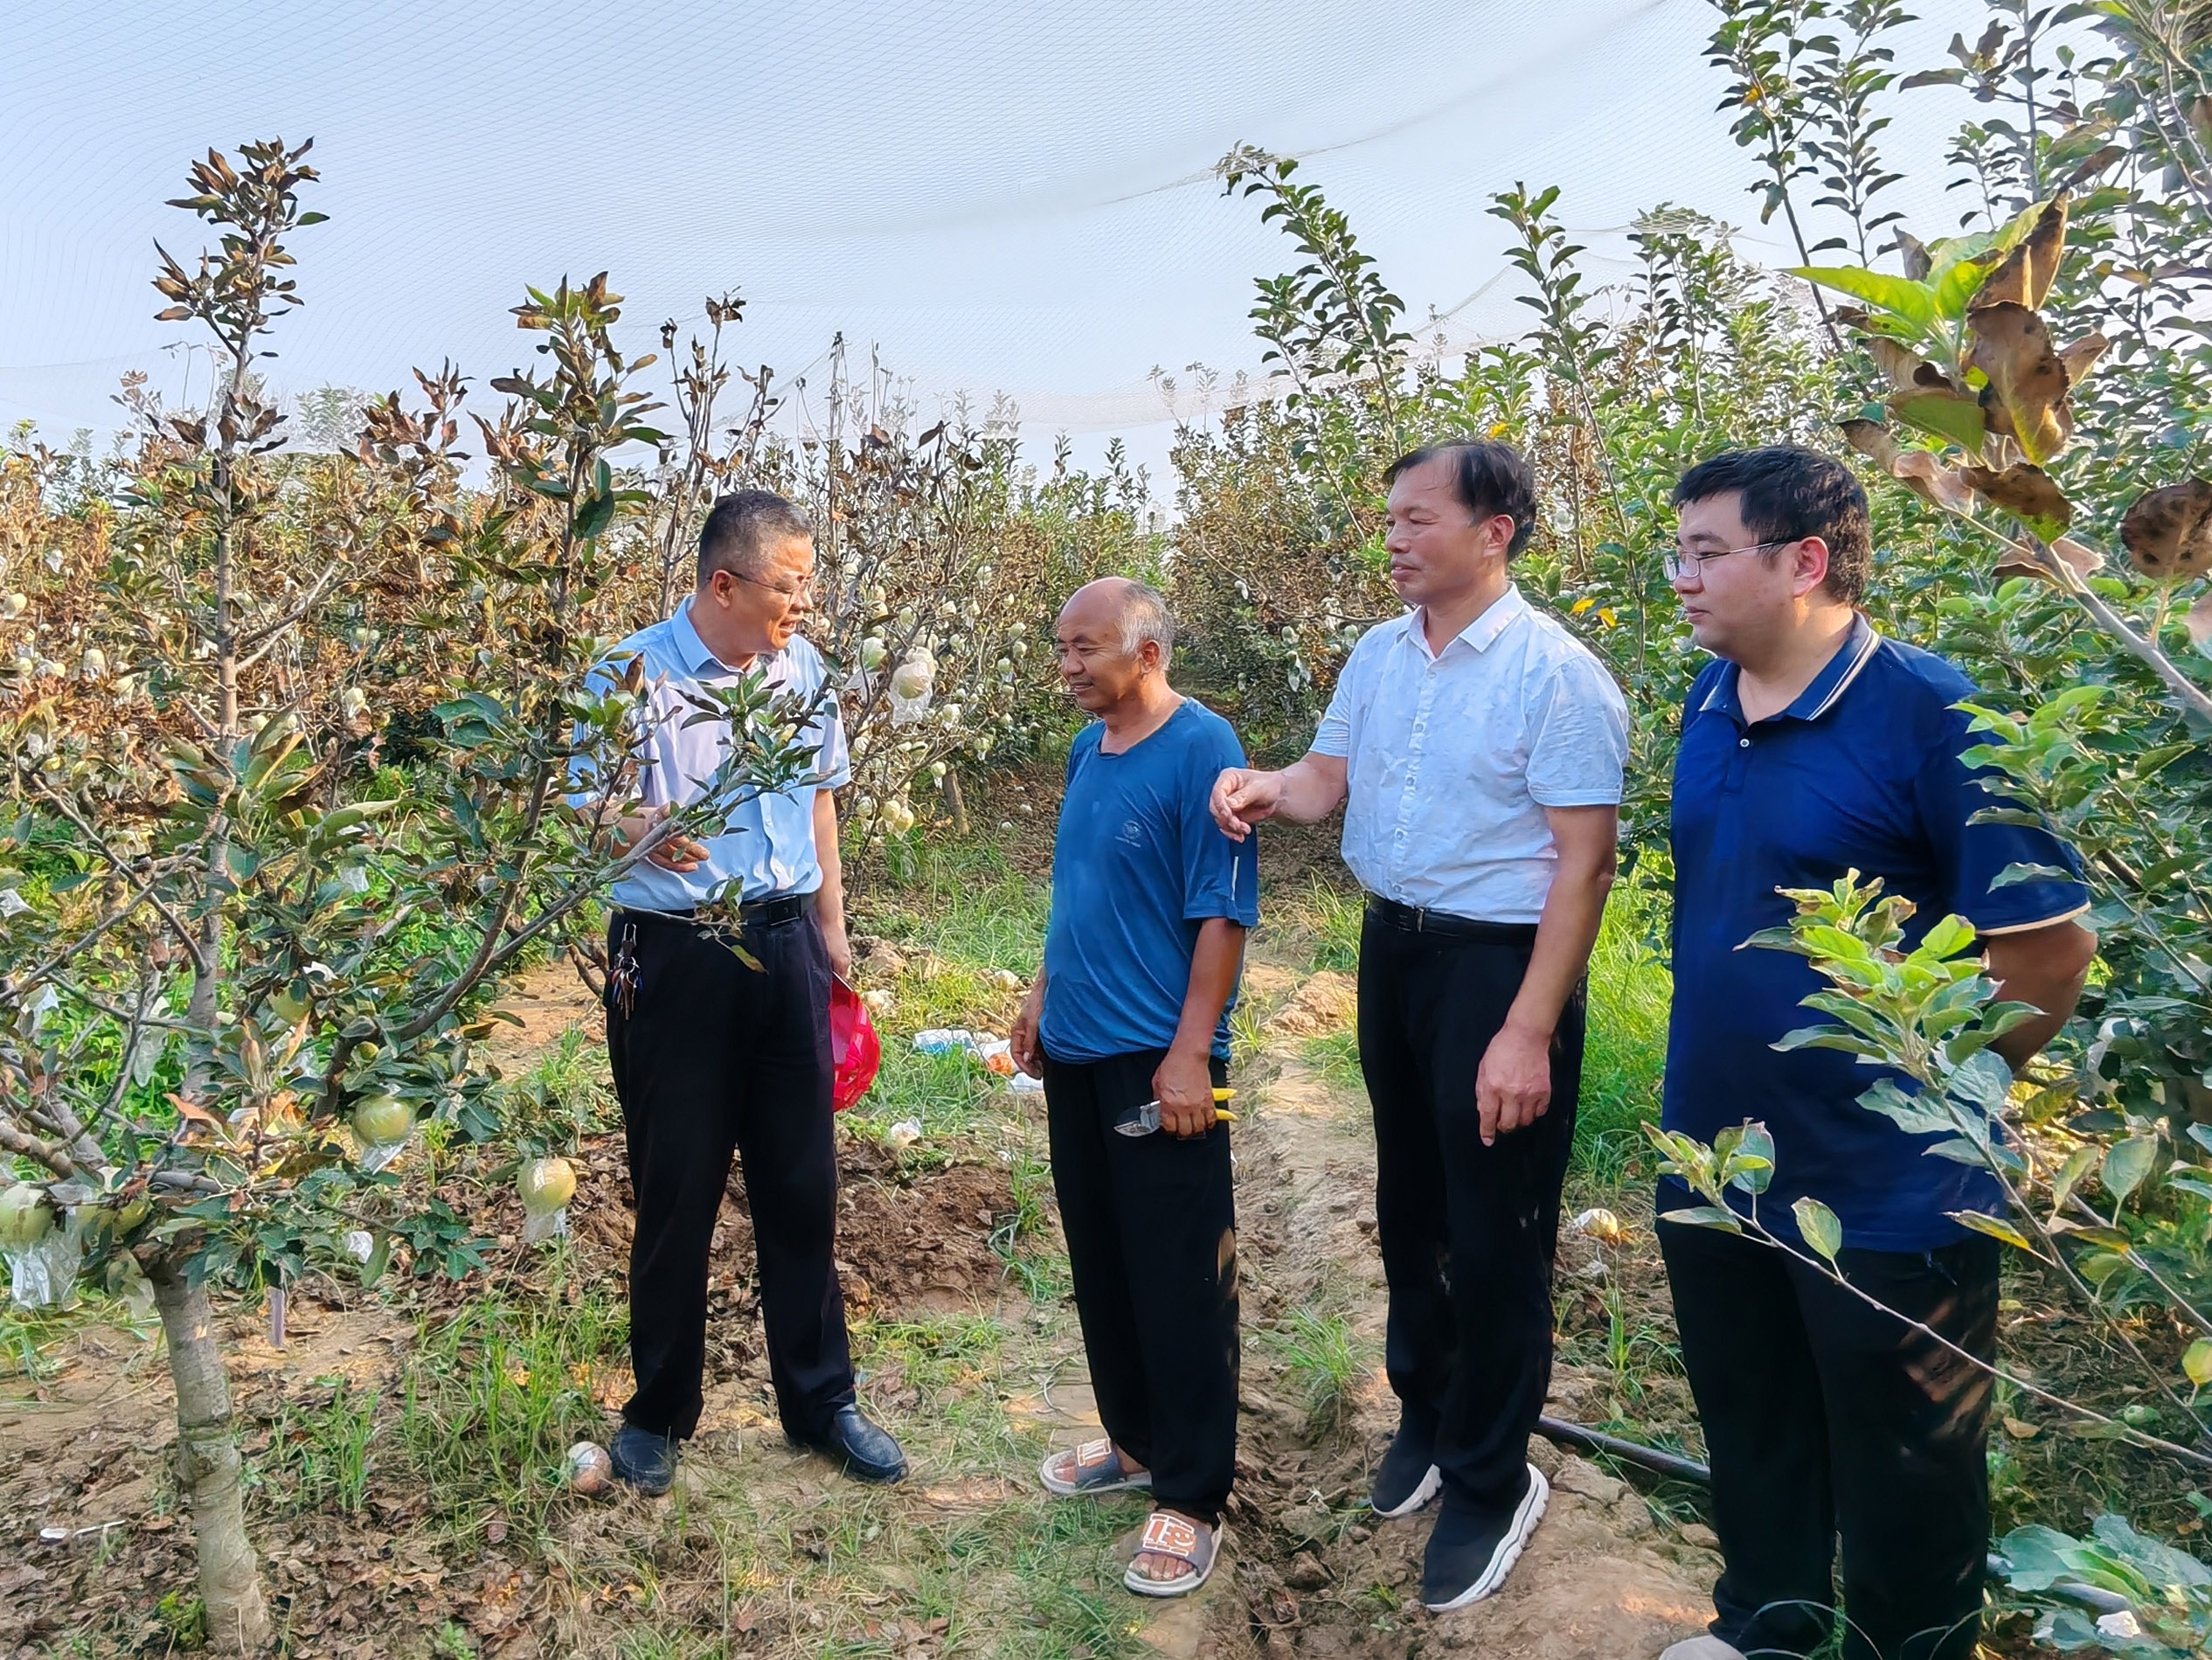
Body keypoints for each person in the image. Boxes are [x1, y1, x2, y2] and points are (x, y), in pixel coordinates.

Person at [1654, 448, 2096, 1660]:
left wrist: (1930, 1096)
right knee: (1752, 1426)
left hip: (1892, 1188)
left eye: (1703, 552)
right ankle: (1765, 1630)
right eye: (1676, 552)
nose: (1678, 580)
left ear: (1800, 562)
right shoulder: (1708, 700)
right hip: (1718, 1158)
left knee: (1907, 1472)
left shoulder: (1929, 710)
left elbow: (2046, 950)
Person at [1210, 441, 1628, 1611]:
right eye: (1386, 518)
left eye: (1416, 518)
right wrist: (1256, 784)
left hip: (1500, 963)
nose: (1392, 538)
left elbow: (1582, 866)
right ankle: (1426, 1415)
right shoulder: (1381, 654)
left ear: (1494, 529)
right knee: (1409, 1201)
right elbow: (1322, 782)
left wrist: (1526, 1028)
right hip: (1393, 946)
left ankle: (1492, 1474)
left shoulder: (1556, 676)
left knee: (1495, 1226)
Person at [572, 489, 905, 1495]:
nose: (802, 607)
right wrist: (634, 827)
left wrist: (832, 936)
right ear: (724, 583)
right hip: (676, 953)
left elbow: (817, 802)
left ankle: (821, 1401)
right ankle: (659, 1411)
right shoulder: (628, 673)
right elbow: (583, 806)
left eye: (807, 587)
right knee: (676, 1189)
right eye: (788, 589)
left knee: (800, 1184)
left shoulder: (799, 668)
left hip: (785, 944)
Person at [1009, 577, 1259, 1600]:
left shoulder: (1205, 749)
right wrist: (1039, 990)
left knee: (1179, 1278)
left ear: (1145, 651)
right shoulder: (1087, 747)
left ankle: (1191, 1495)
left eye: (1084, 649)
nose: (1066, 667)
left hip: (1158, 1059)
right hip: (1074, 1047)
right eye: (1061, 647)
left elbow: (1220, 913)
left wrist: (1190, 1052)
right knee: (1103, 1259)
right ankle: (1135, 1443)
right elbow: (1081, 887)